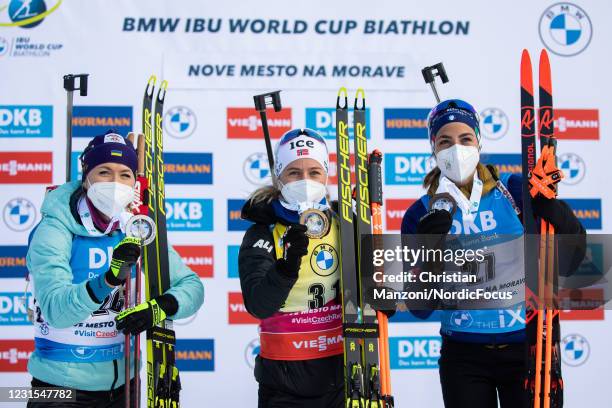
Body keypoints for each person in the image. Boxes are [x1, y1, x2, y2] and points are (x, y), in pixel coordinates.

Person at [401, 100, 585, 408]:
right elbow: (419, 307)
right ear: (433, 148)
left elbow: (571, 260)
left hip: (526, 348)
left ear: (478, 142)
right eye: (445, 141)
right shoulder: (420, 213)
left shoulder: (514, 191)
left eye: (465, 139)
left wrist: (554, 210)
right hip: (463, 355)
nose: (456, 149)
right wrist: (430, 251)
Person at [26, 131, 204, 407]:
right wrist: (109, 279)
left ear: (134, 182)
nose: (114, 183)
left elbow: (191, 287)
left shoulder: (136, 226)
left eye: (124, 175)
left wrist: (159, 308)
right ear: (86, 177)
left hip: (123, 388)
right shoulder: (55, 228)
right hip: (58, 390)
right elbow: (56, 311)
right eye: (104, 172)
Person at [239, 128, 344, 408]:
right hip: (283, 385)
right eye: (294, 173)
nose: (305, 181)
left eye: (314, 172)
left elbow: (382, 299)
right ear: (279, 177)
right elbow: (258, 304)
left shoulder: (344, 224)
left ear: (326, 175)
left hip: (342, 380)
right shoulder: (263, 232)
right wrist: (286, 267)